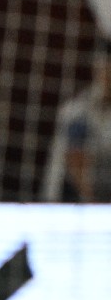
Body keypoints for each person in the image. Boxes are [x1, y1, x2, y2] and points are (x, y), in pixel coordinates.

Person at [42, 36, 111, 202]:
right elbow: (76, 163)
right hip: (72, 202)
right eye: (106, 69)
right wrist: (95, 206)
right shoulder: (78, 112)